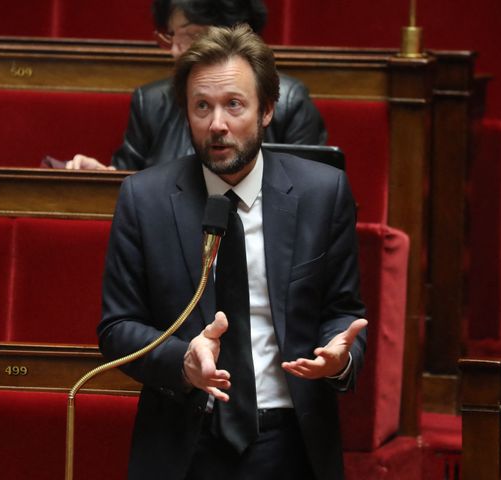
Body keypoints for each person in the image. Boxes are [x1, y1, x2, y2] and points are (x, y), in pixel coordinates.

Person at [98, 25, 367, 480]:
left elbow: (342, 311)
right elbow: (117, 327)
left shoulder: (322, 193)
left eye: (234, 105)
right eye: (202, 106)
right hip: (184, 440)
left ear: (266, 111)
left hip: (289, 440)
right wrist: (183, 361)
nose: (217, 124)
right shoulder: (144, 200)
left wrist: (340, 358)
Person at [66, 0, 326, 171]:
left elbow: (308, 197)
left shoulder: (290, 102)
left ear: (231, 31)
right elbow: (130, 181)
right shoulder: (151, 102)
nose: (175, 51)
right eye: (172, 35)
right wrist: (105, 179)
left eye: (190, 35)